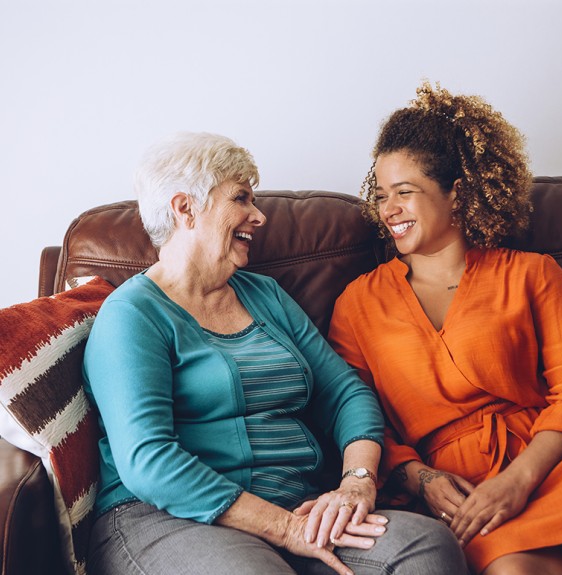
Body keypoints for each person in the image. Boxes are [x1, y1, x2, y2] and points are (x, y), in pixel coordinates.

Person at [82, 131, 467, 575]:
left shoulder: (264, 294)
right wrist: (283, 528)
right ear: (185, 208)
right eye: (241, 198)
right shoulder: (133, 316)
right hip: (167, 518)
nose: (258, 216)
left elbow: (345, 393)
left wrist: (355, 484)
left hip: (297, 506)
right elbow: (148, 461)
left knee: (424, 547)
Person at [328, 81, 562, 575]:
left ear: (456, 193)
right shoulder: (357, 304)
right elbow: (357, 416)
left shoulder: (532, 273)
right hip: (451, 492)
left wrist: (519, 479)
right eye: (381, 195)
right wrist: (420, 479)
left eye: (405, 192)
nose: (389, 208)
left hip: (548, 466)